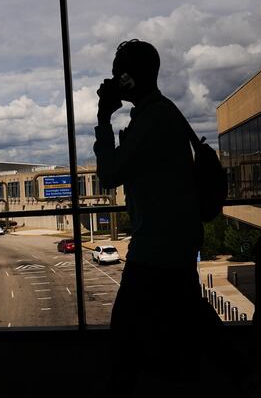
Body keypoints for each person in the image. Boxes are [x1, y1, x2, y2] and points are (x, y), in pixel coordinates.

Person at [93, 39, 207, 395]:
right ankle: (241, 375)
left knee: (125, 336)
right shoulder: (162, 112)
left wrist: (102, 119)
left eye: (117, 74)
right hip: (175, 241)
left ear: (129, 78)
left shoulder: (151, 119)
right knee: (191, 317)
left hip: (156, 248)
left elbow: (110, 174)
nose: (113, 80)